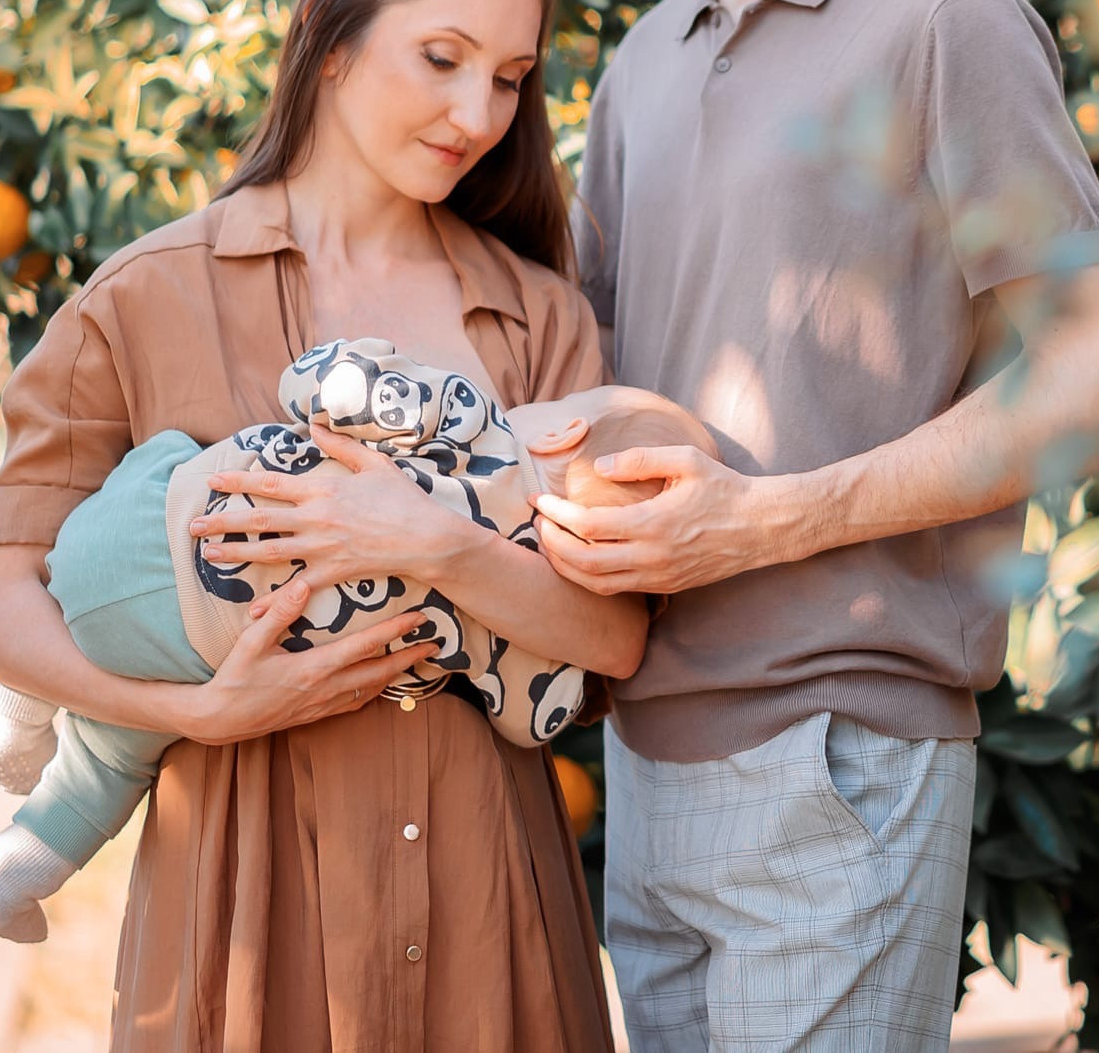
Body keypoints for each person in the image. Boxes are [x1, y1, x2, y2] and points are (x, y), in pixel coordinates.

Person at [525, 0, 1099, 1050]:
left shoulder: (946, 19)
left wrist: (767, 522)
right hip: (645, 764)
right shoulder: (644, 64)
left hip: (841, 753)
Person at [0, 0, 643, 1052]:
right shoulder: (147, 295)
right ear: (329, 40)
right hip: (238, 914)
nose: (478, 112)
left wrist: (434, 542)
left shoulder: (541, 316)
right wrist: (191, 709)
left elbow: (610, 640)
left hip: (490, 910)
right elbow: (9, 587)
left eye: (510, 77)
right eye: (442, 57)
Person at [0, 333, 710, 945]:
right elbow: (533, 720)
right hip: (203, 655)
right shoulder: (529, 618)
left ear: (563, 433)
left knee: (160, 469)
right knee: (108, 762)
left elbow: (314, 384)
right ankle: (17, 877)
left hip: (154, 529)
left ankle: (25, 708)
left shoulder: (475, 427)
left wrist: (368, 362)